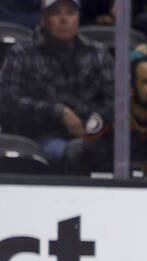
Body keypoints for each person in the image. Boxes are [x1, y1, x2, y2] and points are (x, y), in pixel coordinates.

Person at [0, 0, 113, 164]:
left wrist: (88, 125)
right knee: (73, 153)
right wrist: (59, 112)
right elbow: (9, 101)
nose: (64, 19)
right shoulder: (21, 53)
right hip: (39, 137)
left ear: (79, 17)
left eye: (70, 13)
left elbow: (114, 100)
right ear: (43, 19)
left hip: (92, 134)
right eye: (56, 13)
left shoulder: (98, 52)